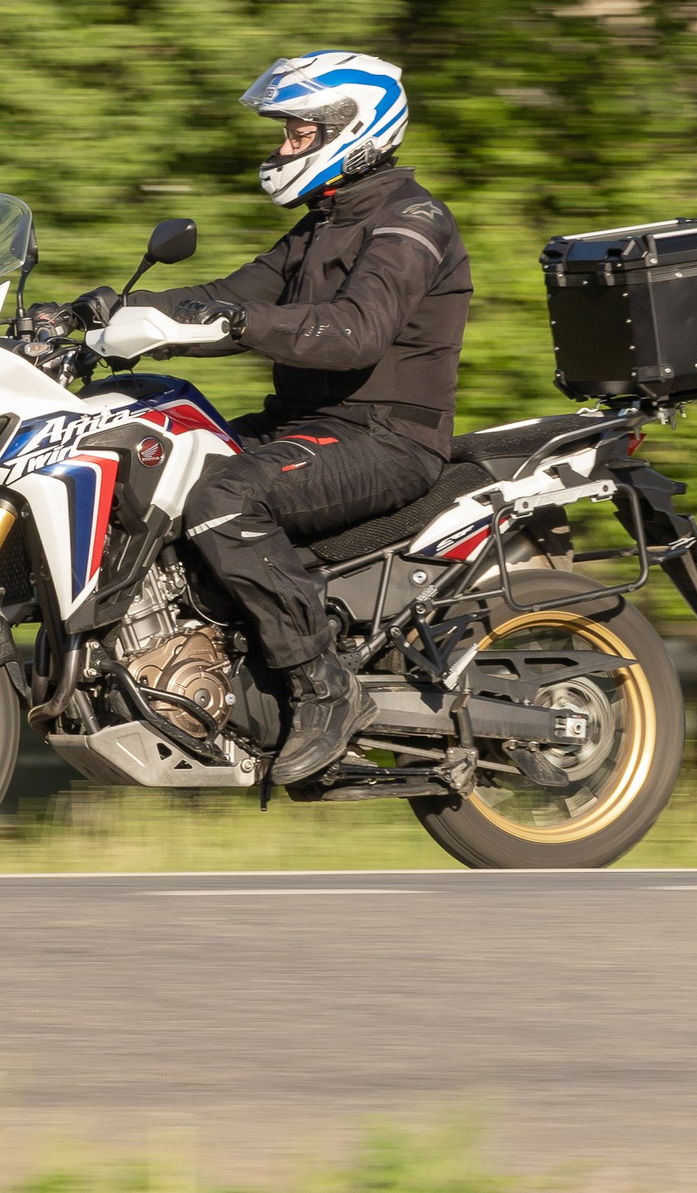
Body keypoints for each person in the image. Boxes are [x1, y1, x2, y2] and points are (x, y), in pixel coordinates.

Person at [37, 52, 471, 786]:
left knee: (222, 496)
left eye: (297, 132)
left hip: (386, 437)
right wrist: (94, 313)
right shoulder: (320, 225)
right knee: (149, 462)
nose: (282, 147)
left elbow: (355, 330)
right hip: (307, 423)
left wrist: (235, 322)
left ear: (350, 129)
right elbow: (218, 293)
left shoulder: (411, 222)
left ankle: (324, 686)